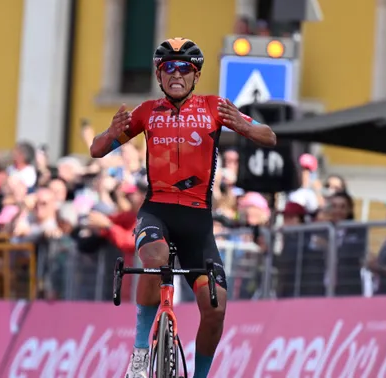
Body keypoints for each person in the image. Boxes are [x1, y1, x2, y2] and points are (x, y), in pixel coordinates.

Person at [89, 37, 276, 378]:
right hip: (157, 210)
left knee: (216, 307)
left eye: (184, 68)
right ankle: (141, 354)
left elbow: (270, 137)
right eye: (168, 68)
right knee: (154, 259)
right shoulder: (147, 112)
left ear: (196, 75)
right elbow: (97, 150)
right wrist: (109, 133)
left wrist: (244, 125)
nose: (176, 74)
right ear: (159, 75)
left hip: (197, 222)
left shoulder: (214, 107)